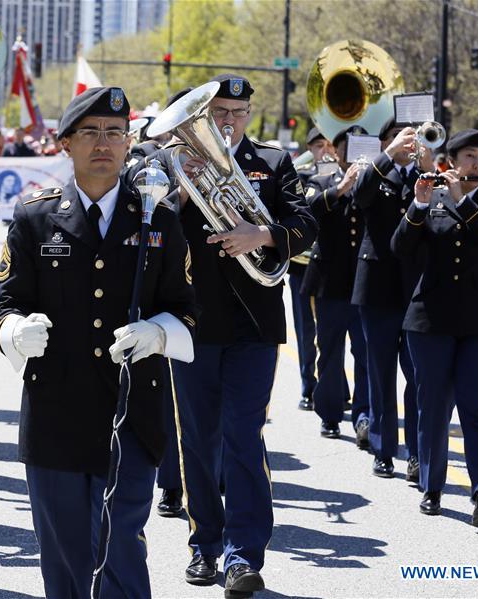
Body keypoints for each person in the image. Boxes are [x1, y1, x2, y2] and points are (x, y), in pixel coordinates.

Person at [0, 86, 197, 598]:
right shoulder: (34, 217)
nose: (103, 144)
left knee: (121, 543)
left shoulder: (159, 217)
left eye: (114, 133)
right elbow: (4, 303)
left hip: (131, 409)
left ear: (129, 143)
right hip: (56, 407)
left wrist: (159, 332)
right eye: (90, 133)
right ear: (64, 144)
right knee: (63, 552)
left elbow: (189, 309)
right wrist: (16, 331)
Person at [132, 74, 317, 594]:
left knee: (243, 436)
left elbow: (306, 221)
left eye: (238, 112)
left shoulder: (276, 163)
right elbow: (146, 230)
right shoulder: (169, 164)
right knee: (197, 439)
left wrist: (264, 234)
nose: (229, 121)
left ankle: (243, 554)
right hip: (191, 321)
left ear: (250, 115)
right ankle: (203, 545)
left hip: (254, 325)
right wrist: (182, 196)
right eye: (220, 112)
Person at [391, 128, 478, 522]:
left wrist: (462, 199)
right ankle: (432, 485)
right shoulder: (429, 197)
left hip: (475, 321)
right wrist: (417, 208)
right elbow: (400, 249)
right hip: (429, 320)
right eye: (470, 157)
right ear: (452, 162)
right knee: (433, 406)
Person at [350, 118, 424, 479]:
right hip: (377, 287)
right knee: (381, 374)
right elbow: (359, 196)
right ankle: (383, 448)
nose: (407, 142)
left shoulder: (426, 175)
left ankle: (416, 451)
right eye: (398, 137)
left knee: (417, 375)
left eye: (413, 136)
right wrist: (388, 156)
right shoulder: (373, 172)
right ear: (384, 142)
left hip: (416, 291)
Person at [301, 125, 370, 442]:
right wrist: (341, 188)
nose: (353, 154)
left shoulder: (374, 185)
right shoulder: (322, 181)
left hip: (365, 283)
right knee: (329, 352)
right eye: (347, 148)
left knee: (365, 353)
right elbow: (308, 211)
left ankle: (364, 416)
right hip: (329, 283)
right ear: (335, 150)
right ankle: (328, 414)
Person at [290, 126, 332, 411]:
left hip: (333, 266)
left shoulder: (348, 175)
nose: (325, 152)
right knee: (306, 329)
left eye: (330, 145)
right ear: (310, 149)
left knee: (332, 331)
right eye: (319, 146)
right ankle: (309, 385)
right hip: (303, 265)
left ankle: (334, 387)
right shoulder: (299, 176)